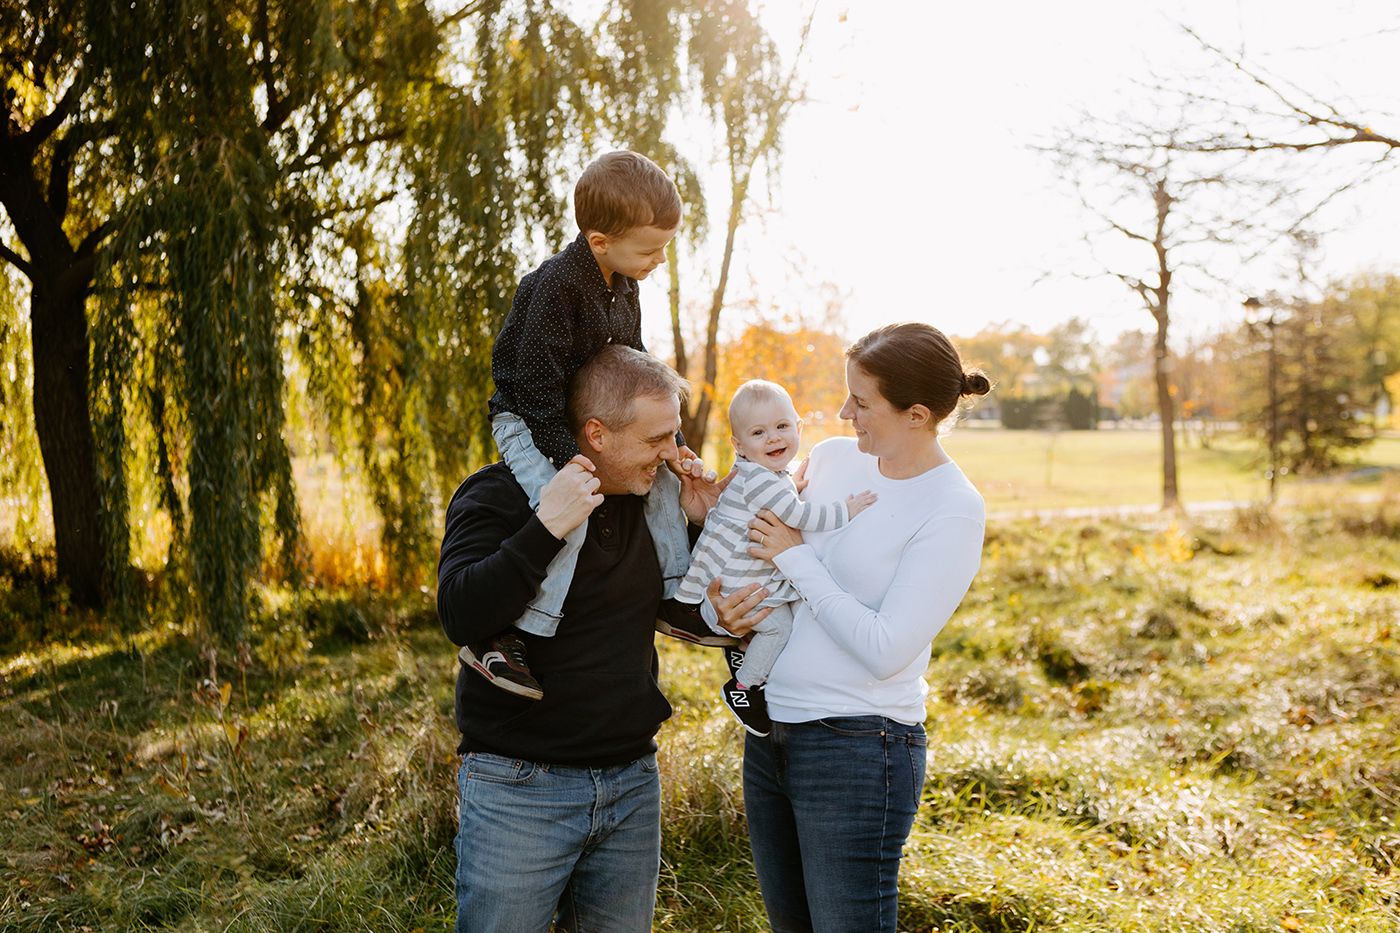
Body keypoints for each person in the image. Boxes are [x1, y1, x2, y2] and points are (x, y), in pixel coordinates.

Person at [706, 322, 993, 933]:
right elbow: (756, 528)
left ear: (916, 414)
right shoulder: (832, 460)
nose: (843, 413)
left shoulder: (952, 507)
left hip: (860, 748)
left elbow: (886, 649)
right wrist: (736, 615)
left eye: (860, 403)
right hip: (771, 732)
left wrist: (793, 555)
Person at [438, 345, 723, 933]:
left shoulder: (655, 504)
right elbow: (461, 613)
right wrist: (546, 528)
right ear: (595, 433)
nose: (672, 453)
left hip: (630, 784)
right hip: (519, 789)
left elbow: (690, 608)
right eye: (656, 440)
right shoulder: (498, 494)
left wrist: (702, 525)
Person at [471, 150, 724, 701]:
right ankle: (508, 635)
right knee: (570, 508)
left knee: (661, 487)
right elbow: (537, 388)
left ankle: (677, 596)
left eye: (666, 246)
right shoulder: (557, 286)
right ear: (599, 241)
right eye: (651, 247)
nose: (661, 258)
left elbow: (635, 371)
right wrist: (572, 463)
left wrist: (672, 446)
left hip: (589, 420)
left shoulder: (624, 283)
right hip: (529, 418)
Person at [673, 379, 876, 736]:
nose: (773, 438)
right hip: (741, 585)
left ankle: (743, 654)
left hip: (738, 578)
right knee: (779, 626)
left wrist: (790, 488)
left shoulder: (761, 474)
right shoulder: (764, 481)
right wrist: (848, 509)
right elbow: (801, 517)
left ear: (798, 428)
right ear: (739, 445)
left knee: (772, 623)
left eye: (782, 427)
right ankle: (743, 688)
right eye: (759, 432)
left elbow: (779, 498)